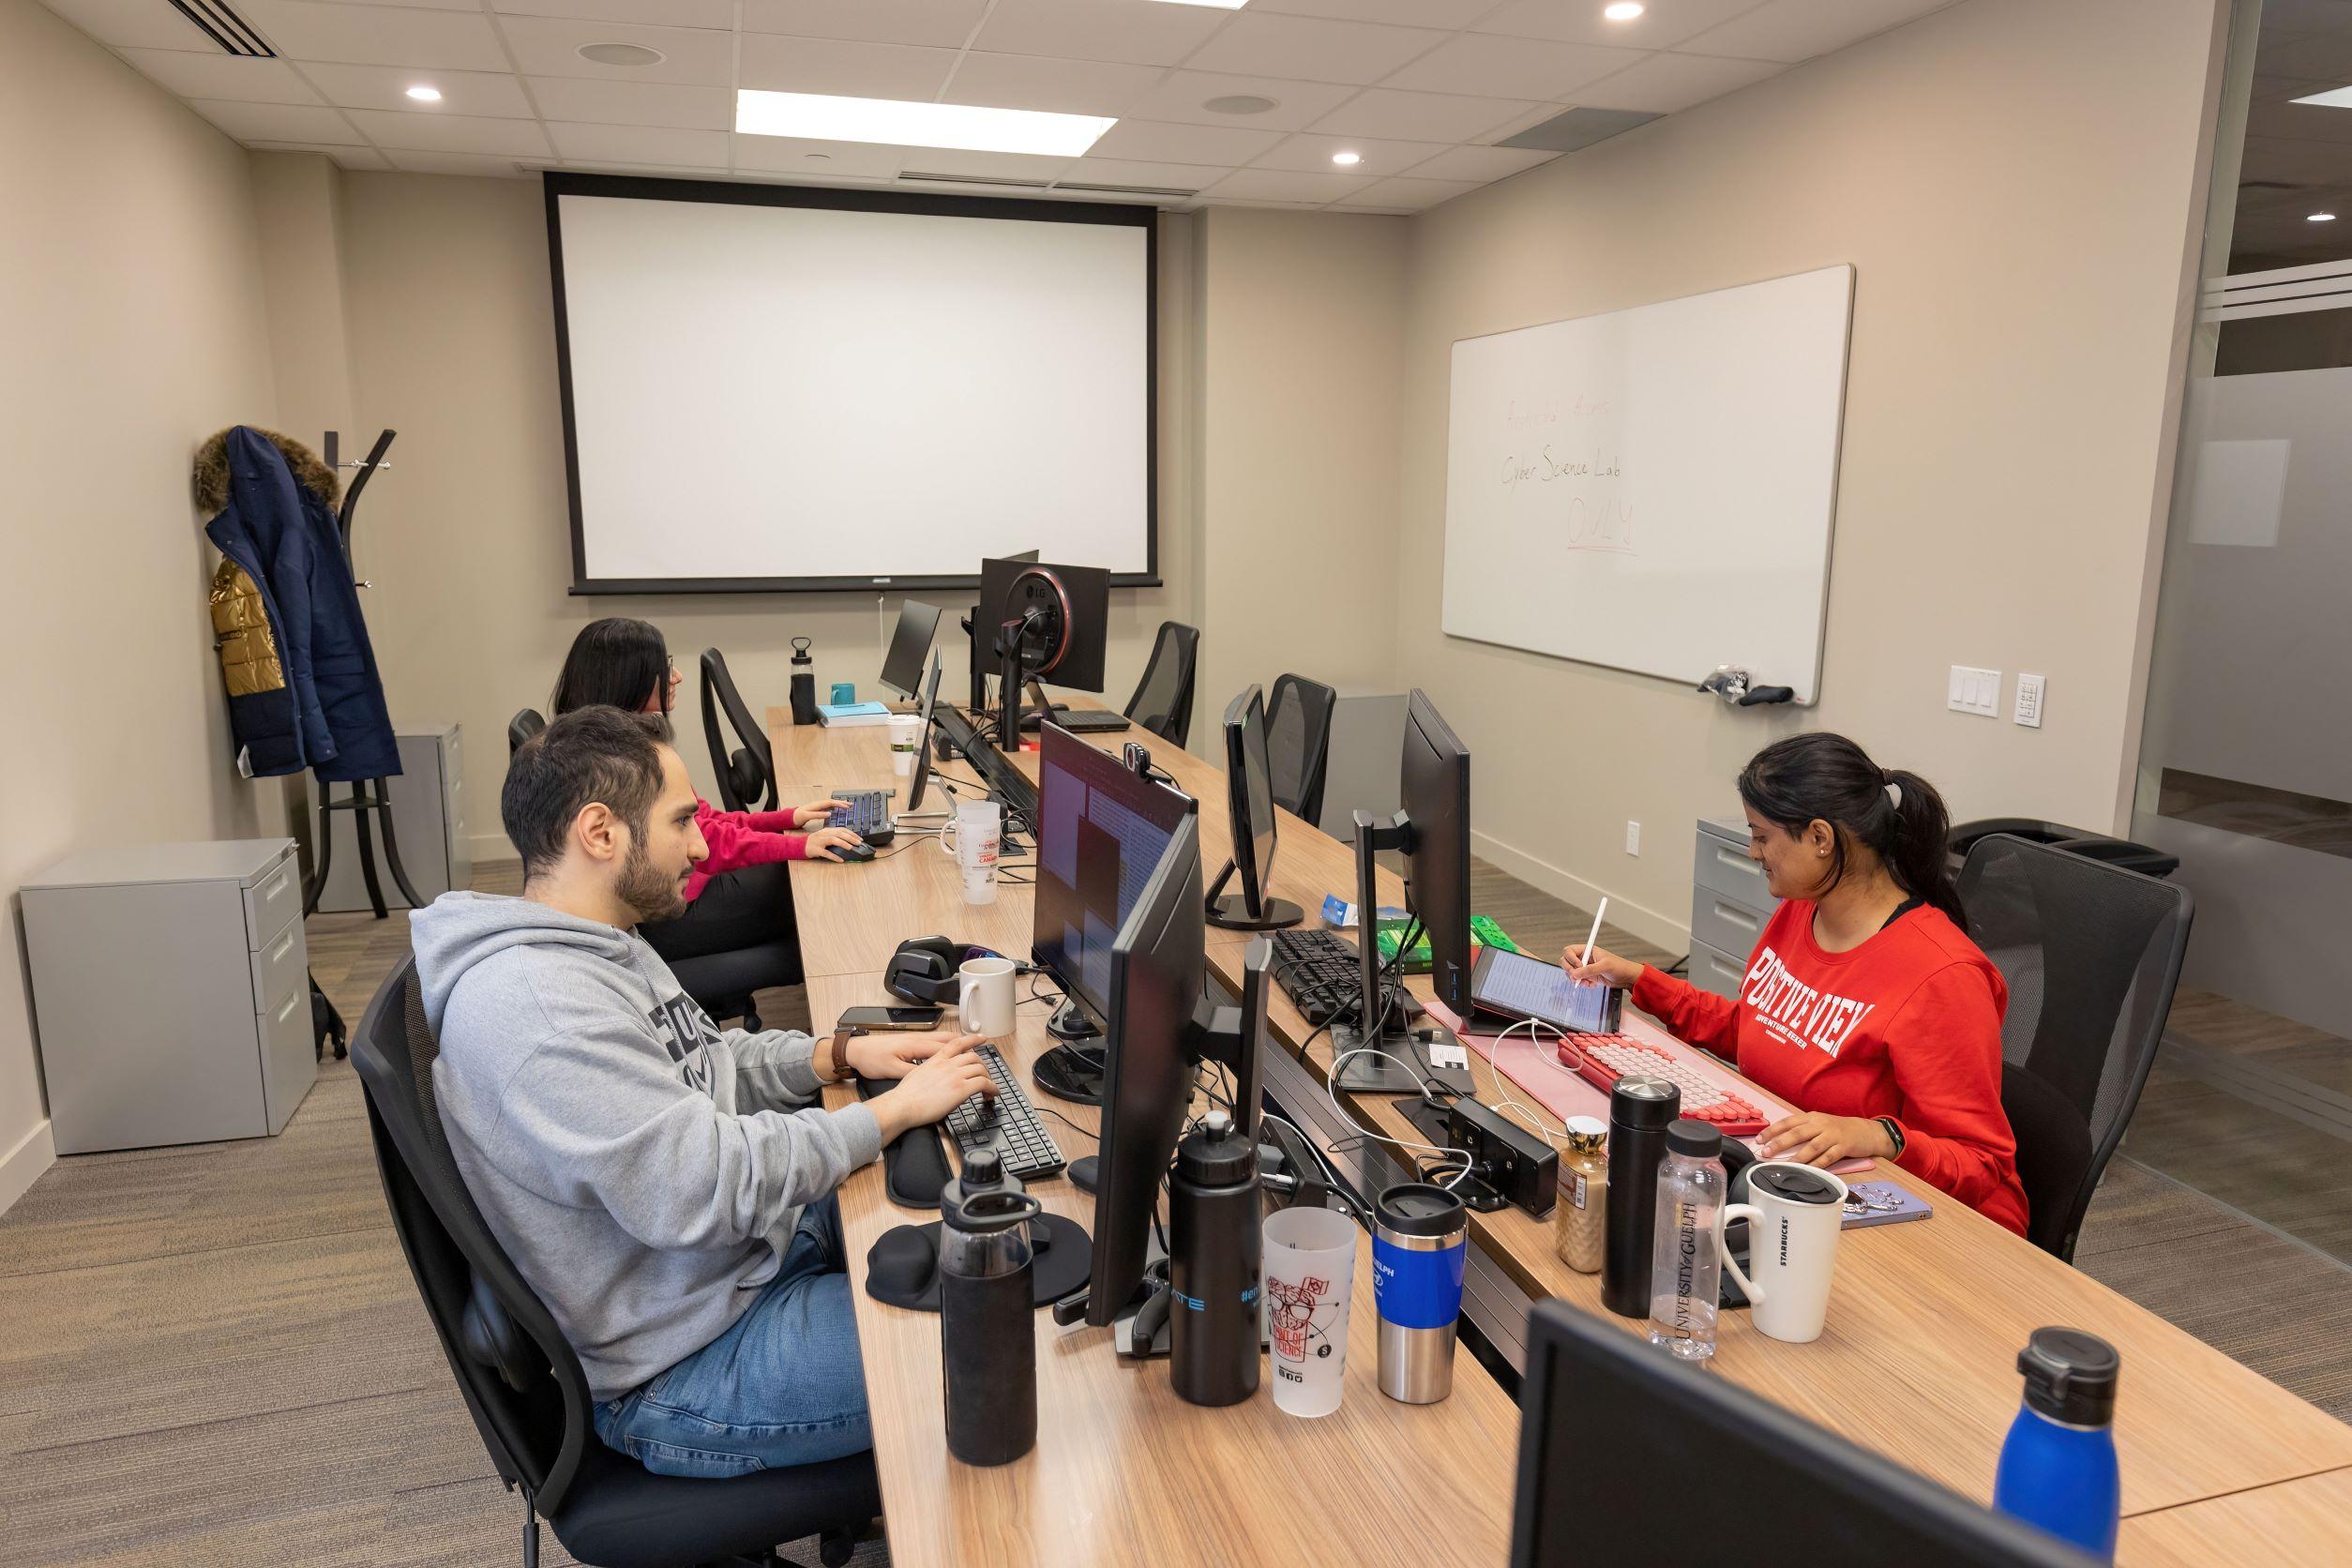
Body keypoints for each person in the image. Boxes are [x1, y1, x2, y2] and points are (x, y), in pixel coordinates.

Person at [415, 706, 994, 1474]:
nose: (702, 842)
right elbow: (709, 1184)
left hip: (731, 1265)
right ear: (600, 832)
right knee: (999, 1329)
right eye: (683, 820)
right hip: (688, 1360)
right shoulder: (542, 1013)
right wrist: (889, 1113)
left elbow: (703, 1059)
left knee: (990, 1210)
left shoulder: (599, 937)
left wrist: (838, 1055)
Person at [1565, 733, 2028, 1237]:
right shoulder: (1801, 911)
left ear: (1820, 838)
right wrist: (1640, 979)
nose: (1752, 851)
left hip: (1933, 1228)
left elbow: (1982, 1165)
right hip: (1803, 1189)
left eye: (1762, 837)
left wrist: (1879, 1135)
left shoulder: (1944, 977)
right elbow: (1759, 1029)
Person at [550, 618, 857, 971]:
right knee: (815, 885)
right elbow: (705, 842)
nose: (676, 676)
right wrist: (799, 845)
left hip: (683, 892)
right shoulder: (625, 762)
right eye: (663, 669)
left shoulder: (611, 743)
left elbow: (703, 820)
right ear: (628, 679)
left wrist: (786, 819)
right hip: (674, 912)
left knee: (807, 871)